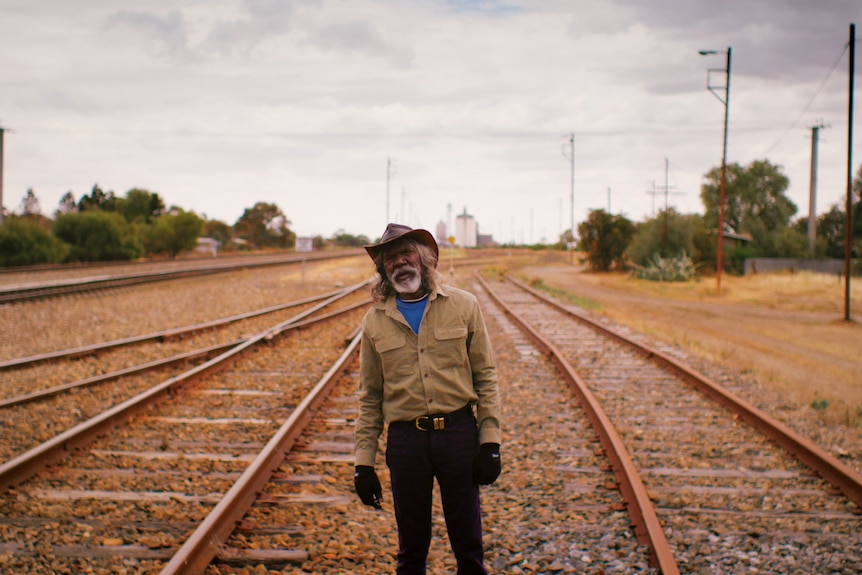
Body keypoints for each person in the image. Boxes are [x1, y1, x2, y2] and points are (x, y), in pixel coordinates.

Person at [353, 223, 502, 575]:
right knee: (411, 548)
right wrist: (364, 463)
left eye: (406, 254)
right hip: (407, 443)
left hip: (459, 435)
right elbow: (370, 397)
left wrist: (490, 442)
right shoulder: (374, 322)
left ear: (424, 259)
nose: (400, 263)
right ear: (383, 271)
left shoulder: (464, 306)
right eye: (390, 259)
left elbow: (487, 377)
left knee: (468, 544)